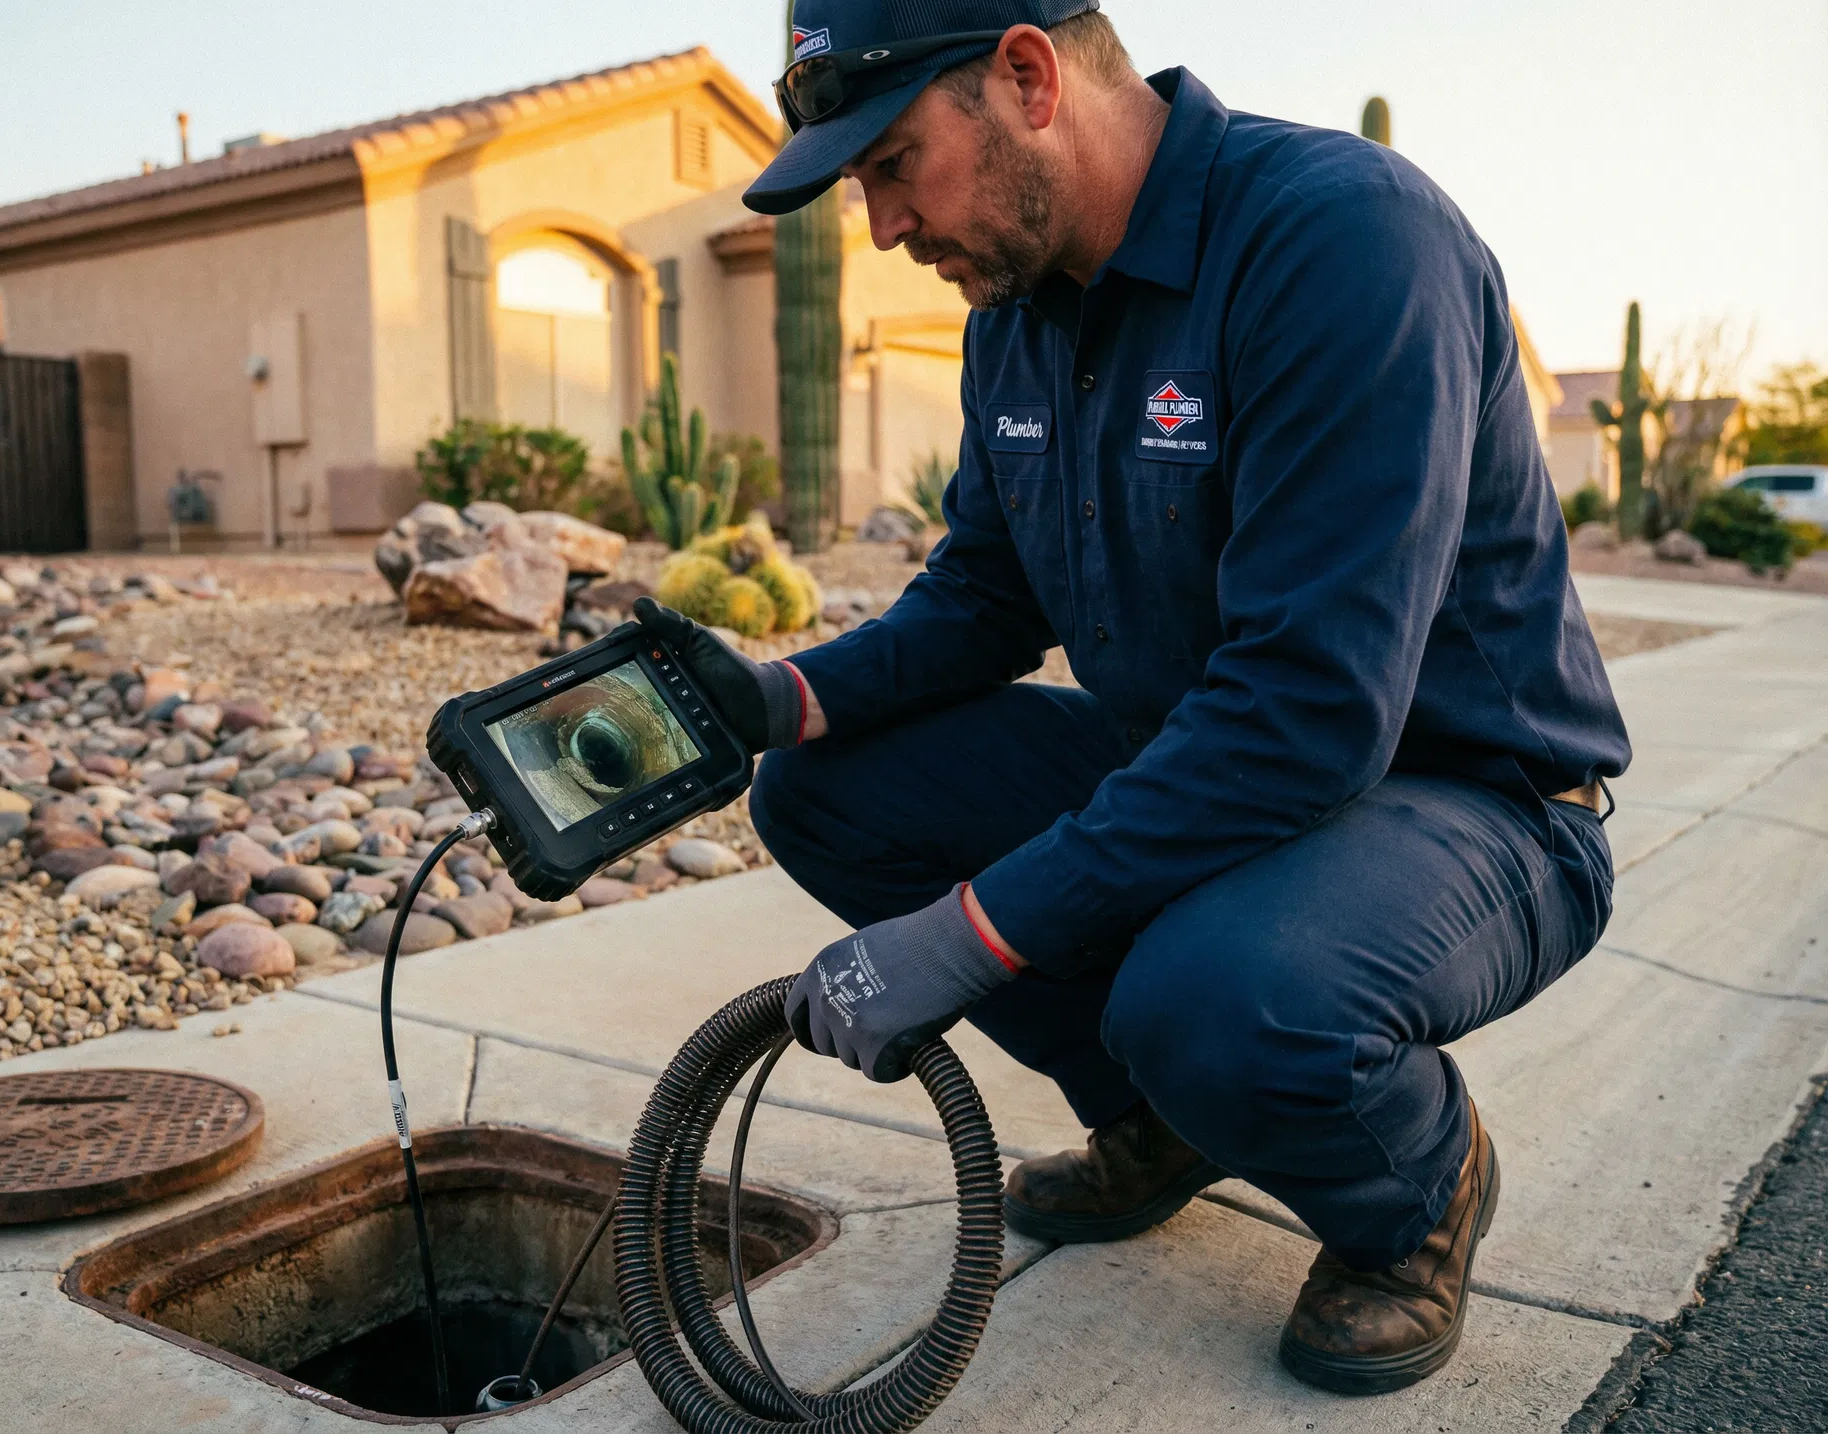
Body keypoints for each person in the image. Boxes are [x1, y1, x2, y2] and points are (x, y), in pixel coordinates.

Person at [634, 0, 1628, 1396]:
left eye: (892, 164)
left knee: (1215, 999)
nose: (880, 229)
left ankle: (1417, 1188)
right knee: (824, 790)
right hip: (1217, 762)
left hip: (1473, 799)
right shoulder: (1017, 314)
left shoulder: (1341, 243)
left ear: (1027, 75)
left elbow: (1303, 715)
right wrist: (778, 696)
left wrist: (967, 936)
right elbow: (985, 597)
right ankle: (1158, 1120)